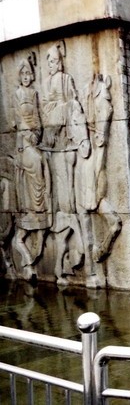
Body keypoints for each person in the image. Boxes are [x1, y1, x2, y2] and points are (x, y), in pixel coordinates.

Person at [39, 44, 90, 283]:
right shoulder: (47, 84)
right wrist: (64, 108)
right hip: (54, 141)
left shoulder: (67, 79)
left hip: (71, 140)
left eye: (57, 61)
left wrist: (70, 109)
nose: (55, 65)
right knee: (62, 198)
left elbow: (75, 103)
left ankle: (64, 263)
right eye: (50, 61)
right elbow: (48, 111)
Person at [12, 58, 51, 280]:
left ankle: (42, 203)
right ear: (19, 76)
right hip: (22, 140)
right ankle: (33, 204)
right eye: (23, 74)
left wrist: (37, 133)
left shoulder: (34, 93)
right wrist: (28, 133)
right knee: (35, 161)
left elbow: (37, 115)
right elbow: (18, 118)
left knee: (43, 160)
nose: (27, 77)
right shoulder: (17, 93)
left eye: (29, 74)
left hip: (35, 136)